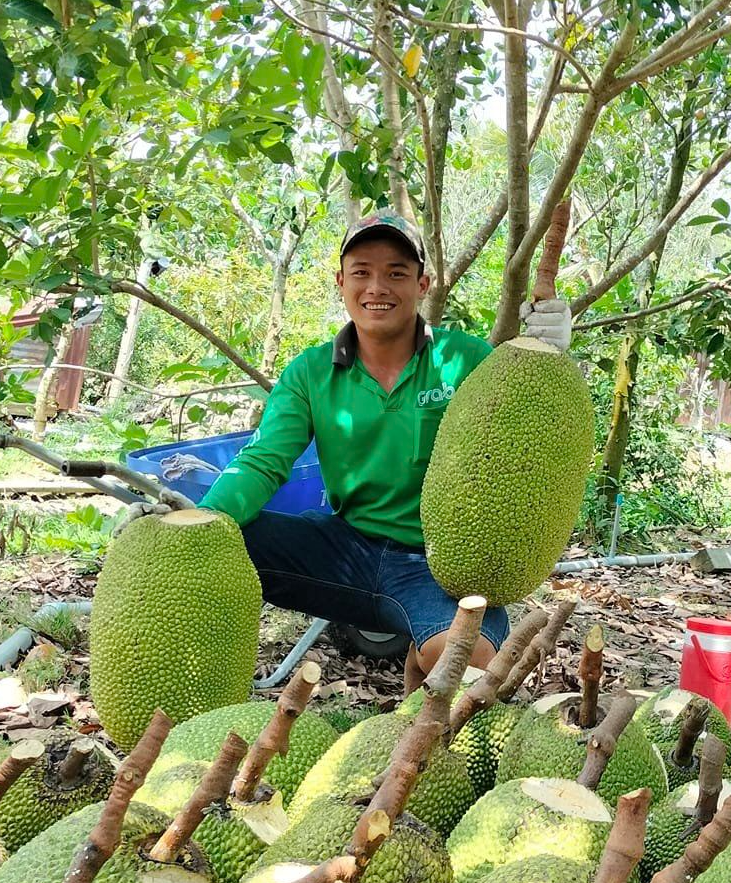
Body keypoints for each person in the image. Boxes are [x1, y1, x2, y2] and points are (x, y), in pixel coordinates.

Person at [196, 210, 573, 692]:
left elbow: (532, 435)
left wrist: (552, 351)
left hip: (437, 568)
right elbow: (264, 460)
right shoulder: (310, 371)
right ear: (341, 282)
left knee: (469, 672)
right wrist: (200, 519)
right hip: (340, 549)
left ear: (423, 284)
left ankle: (422, 664)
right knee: (205, 548)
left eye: (397, 273)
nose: (378, 287)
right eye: (362, 272)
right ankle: (204, 706)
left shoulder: (469, 360)